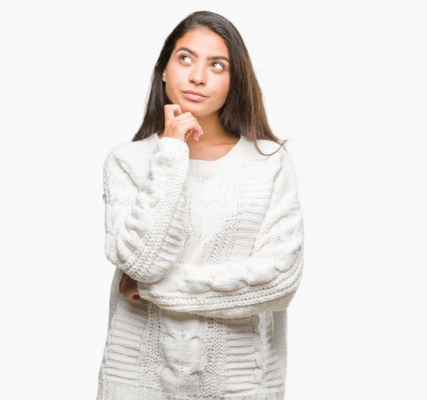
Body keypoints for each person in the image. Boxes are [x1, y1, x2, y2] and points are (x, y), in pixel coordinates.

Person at [96, 10, 303, 400]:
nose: (197, 76)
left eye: (217, 65)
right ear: (163, 69)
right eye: (185, 58)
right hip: (137, 382)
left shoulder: (268, 163)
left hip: (240, 383)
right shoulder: (127, 161)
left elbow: (278, 284)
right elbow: (142, 262)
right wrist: (172, 151)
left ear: (234, 80)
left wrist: (157, 289)